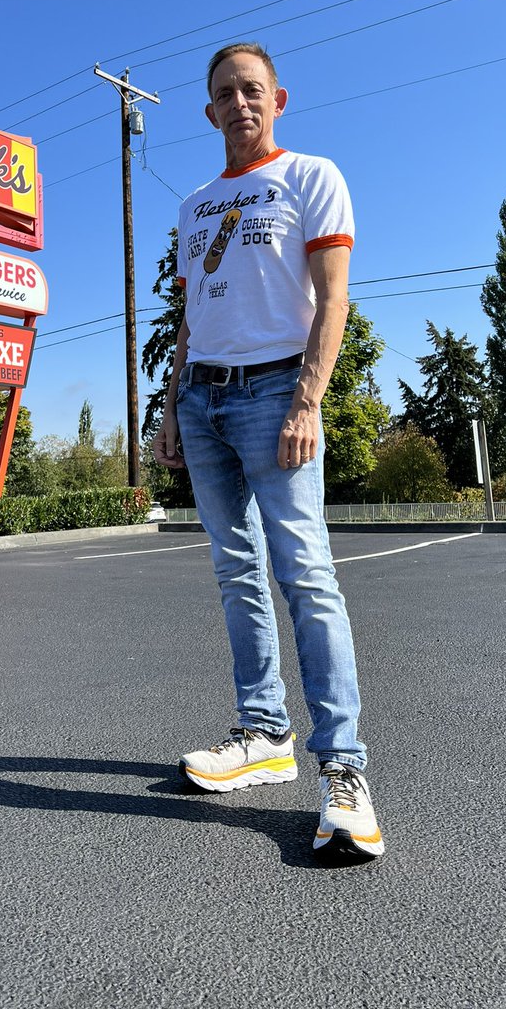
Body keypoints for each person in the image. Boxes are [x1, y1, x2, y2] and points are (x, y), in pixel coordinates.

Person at [153, 42, 384, 861]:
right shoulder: (194, 205)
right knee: (235, 570)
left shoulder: (313, 177)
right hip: (202, 396)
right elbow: (193, 314)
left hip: (275, 392)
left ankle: (344, 771)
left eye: (253, 90)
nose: (240, 103)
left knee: (306, 573)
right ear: (208, 110)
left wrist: (307, 401)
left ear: (277, 98)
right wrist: (171, 408)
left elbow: (333, 297)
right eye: (226, 93)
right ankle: (263, 735)